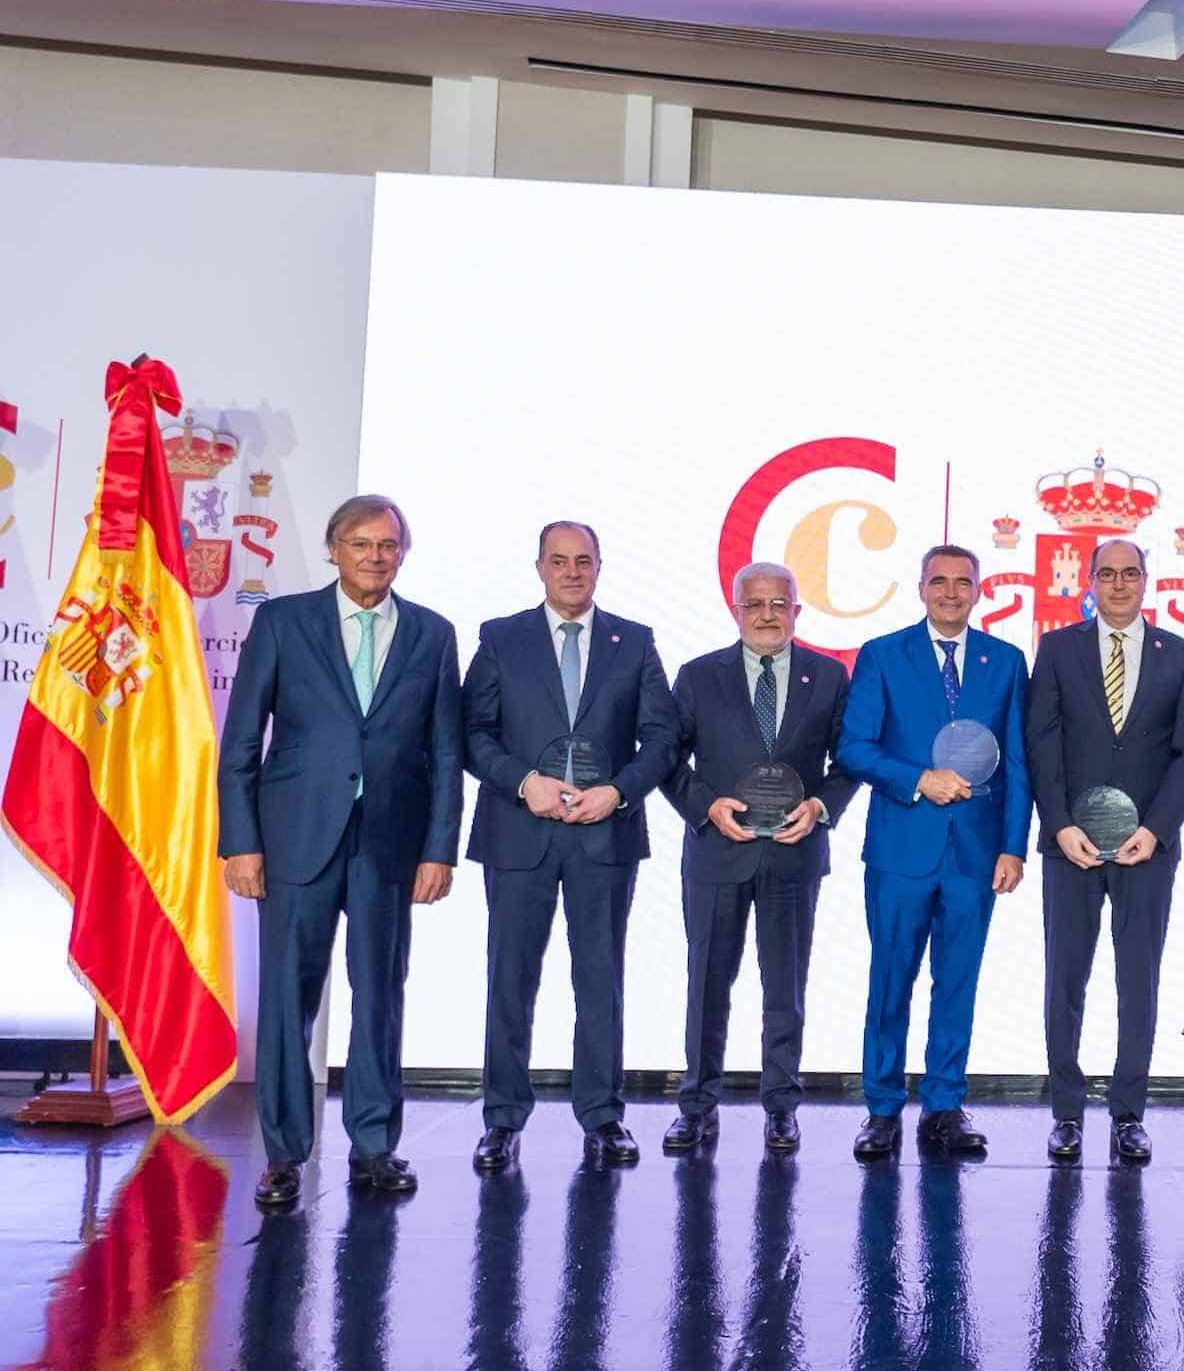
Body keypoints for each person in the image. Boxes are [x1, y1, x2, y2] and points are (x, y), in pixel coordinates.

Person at [218, 494, 462, 1209]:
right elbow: (240, 744)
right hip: (295, 835)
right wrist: (241, 842)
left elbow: (445, 754)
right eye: (361, 544)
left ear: (402, 553)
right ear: (333, 550)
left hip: (390, 842)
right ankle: (285, 1153)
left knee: (380, 993)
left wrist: (438, 849)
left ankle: (375, 1144)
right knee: (288, 994)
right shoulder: (283, 621)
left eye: (388, 545)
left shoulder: (432, 633)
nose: (375, 556)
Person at [463, 520, 678, 1173]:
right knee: (510, 980)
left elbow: (663, 739)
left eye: (583, 561)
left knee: (600, 980)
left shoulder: (633, 642)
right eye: (559, 561)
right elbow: (471, 733)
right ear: (539, 568)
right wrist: (523, 782)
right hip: (518, 832)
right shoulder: (501, 639)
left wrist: (619, 791)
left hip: (603, 835)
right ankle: (502, 1119)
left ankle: (603, 1117)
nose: (572, 572)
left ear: (599, 566)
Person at [657, 561, 860, 1157]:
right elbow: (666, 758)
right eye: (755, 605)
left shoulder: (829, 677)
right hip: (719, 851)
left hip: (795, 855)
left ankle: (781, 1107)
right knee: (707, 984)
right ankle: (696, 1105)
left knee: (785, 987)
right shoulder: (698, 677)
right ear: (735, 610)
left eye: (780, 603)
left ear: (798, 610)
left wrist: (821, 806)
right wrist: (704, 806)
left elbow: (849, 760)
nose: (767, 615)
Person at [836, 544, 1030, 1161]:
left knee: (958, 984)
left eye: (962, 583)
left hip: (975, 853)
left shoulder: (1005, 661)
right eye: (939, 582)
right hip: (901, 847)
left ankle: (945, 1105)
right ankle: (883, 1108)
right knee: (890, 979)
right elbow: (854, 747)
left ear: (979, 591)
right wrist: (918, 778)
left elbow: (1020, 761)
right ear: (920, 588)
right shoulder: (882, 656)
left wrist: (1013, 846)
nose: (950, 593)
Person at [1027, 537, 1184, 1165]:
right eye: (1108, 574)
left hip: (1146, 851)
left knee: (1139, 981)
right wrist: (1057, 825)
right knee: (1065, 980)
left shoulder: (1180, 657)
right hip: (1071, 847)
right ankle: (1067, 1114)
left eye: (1132, 573)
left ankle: (1129, 1113)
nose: (1121, 584)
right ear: (1091, 582)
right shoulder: (1056, 649)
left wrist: (1156, 829)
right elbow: (1041, 745)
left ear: (1147, 579)